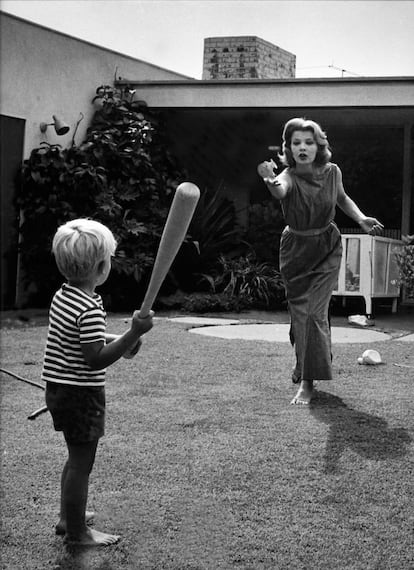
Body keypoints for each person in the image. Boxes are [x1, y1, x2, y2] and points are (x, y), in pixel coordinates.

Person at [41, 218, 153, 546]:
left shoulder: (64, 295)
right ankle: (77, 533)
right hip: (80, 393)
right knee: (81, 462)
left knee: (75, 457)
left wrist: (118, 337)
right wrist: (133, 332)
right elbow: (96, 358)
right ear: (102, 267)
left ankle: (67, 517)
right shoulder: (88, 307)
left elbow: (80, 339)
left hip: (60, 388)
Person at [257, 117, 383, 405]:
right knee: (301, 316)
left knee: (314, 314)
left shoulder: (332, 172)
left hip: (327, 246)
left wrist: (361, 218)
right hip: (295, 251)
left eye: (309, 142)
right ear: (288, 147)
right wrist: (269, 182)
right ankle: (305, 361)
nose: (303, 147)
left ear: (318, 145)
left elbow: (341, 198)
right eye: (296, 142)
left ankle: (307, 382)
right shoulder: (287, 175)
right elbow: (280, 189)